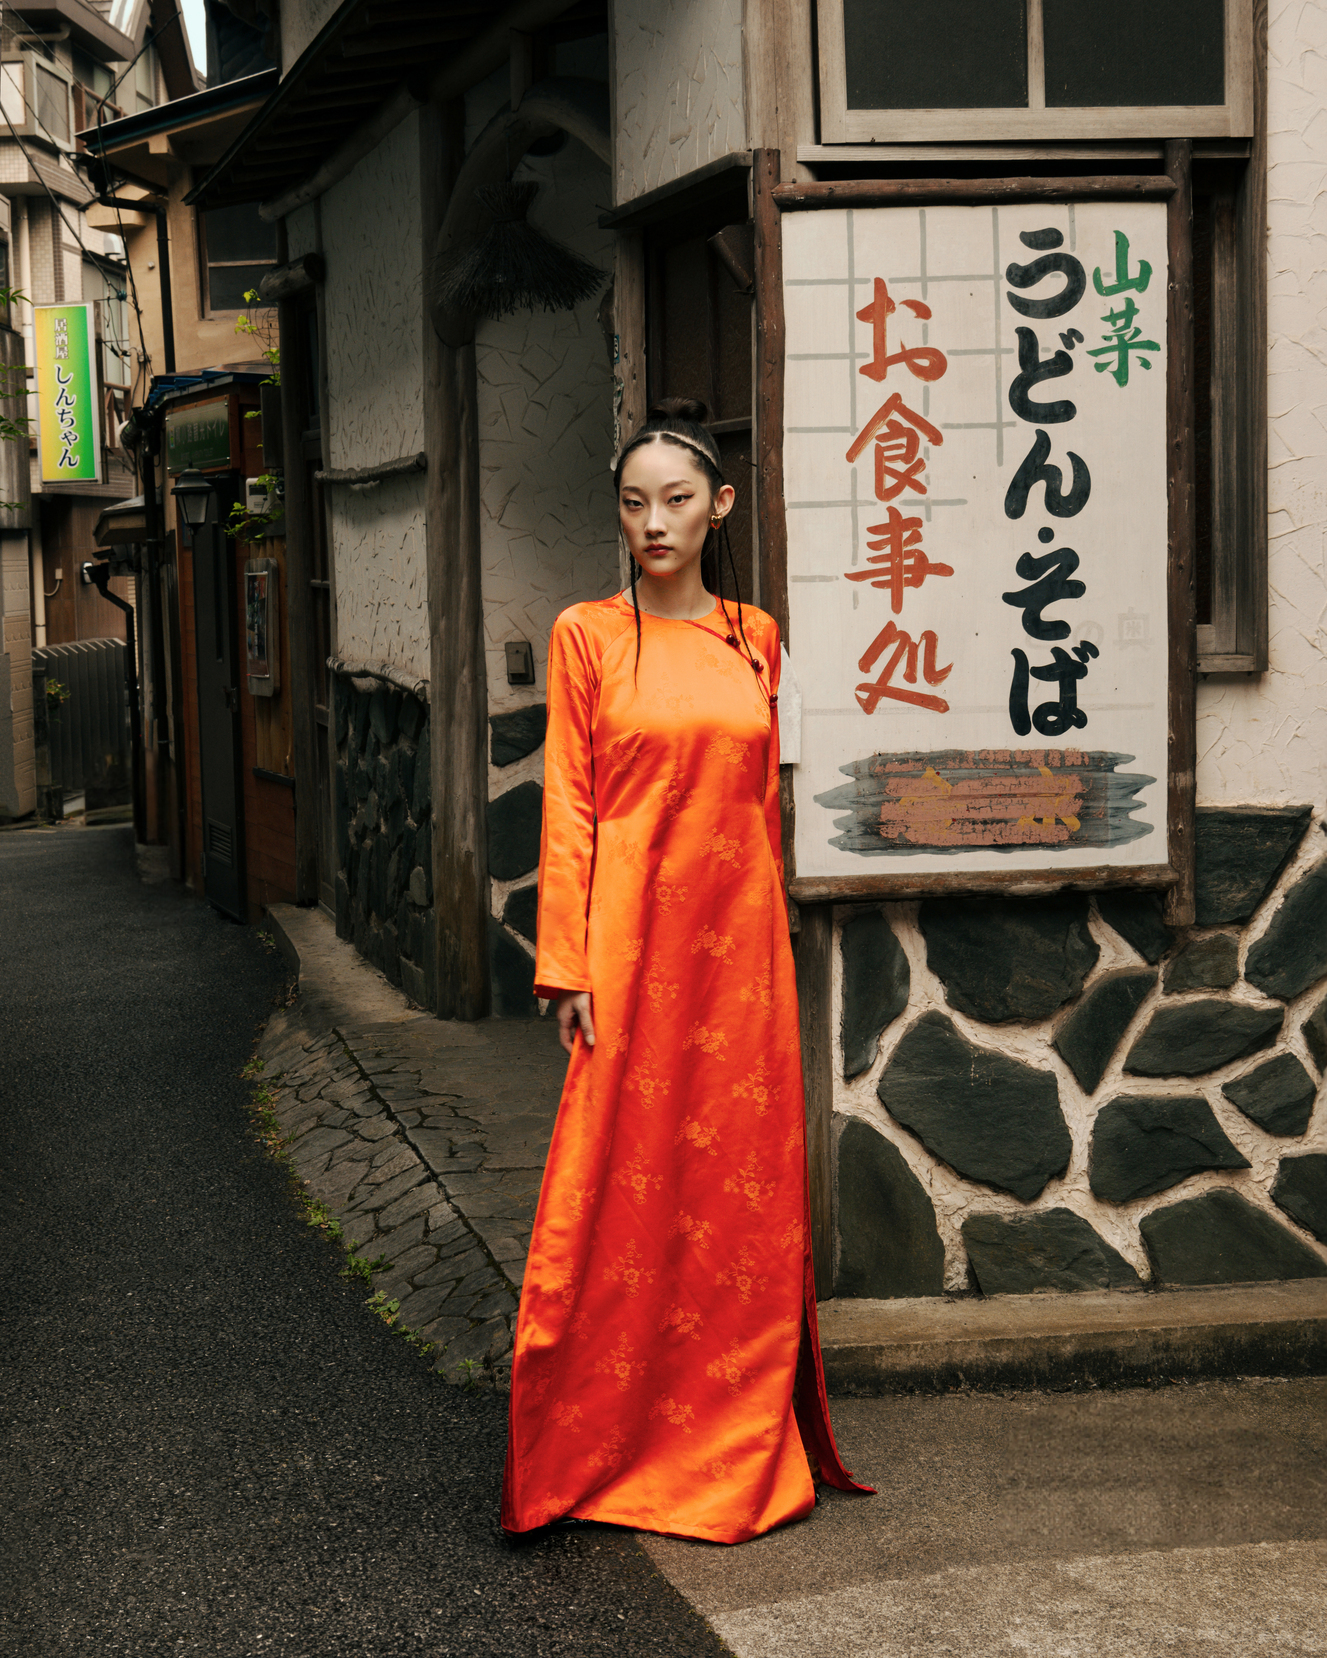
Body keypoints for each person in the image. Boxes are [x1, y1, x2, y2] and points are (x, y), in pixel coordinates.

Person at [501, 398, 870, 1544]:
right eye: (632, 501)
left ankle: (733, 1423)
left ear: (717, 508)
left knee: (739, 1195)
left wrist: (772, 935)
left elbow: (764, 803)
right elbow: (569, 799)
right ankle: (601, 1433)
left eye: (674, 499)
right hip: (626, 945)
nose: (651, 521)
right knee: (611, 1185)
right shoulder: (586, 635)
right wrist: (567, 961)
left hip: (742, 955)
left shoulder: (757, 636)